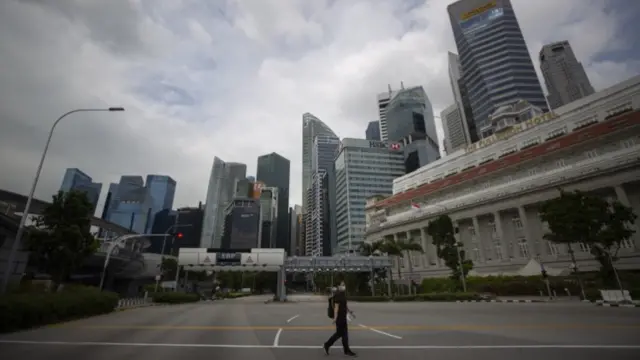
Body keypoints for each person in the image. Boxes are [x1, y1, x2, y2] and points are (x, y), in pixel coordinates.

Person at [323, 281, 357, 357]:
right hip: (339, 318)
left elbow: (345, 305)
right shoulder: (338, 295)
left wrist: (350, 312)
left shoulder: (343, 295)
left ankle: (345, 350)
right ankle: (328, 345)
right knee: (341, 334)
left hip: (343, 317)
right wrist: (335, 318)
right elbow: (336, 308)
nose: (343, 286)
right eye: (342, 285)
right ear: (338, 286)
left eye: (344, 284)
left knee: (342, 334)